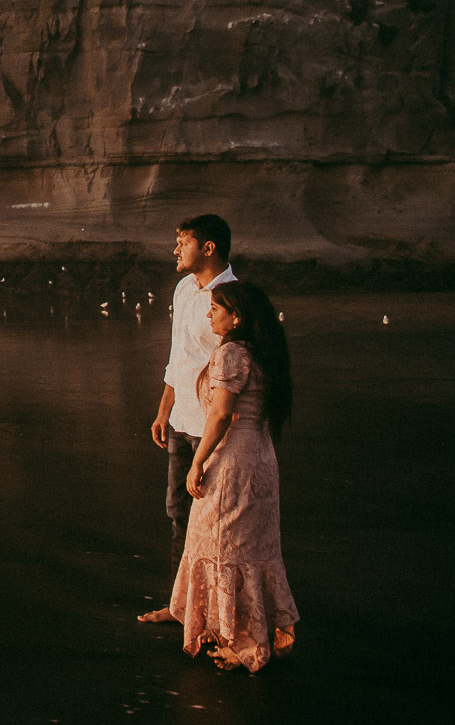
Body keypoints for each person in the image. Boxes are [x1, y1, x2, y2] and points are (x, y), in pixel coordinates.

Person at [156, 279, 300, 670]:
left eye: (216, 309)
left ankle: (243, 643)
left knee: (224, 546)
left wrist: (198, 461)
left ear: (236, 316)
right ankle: (255, 630)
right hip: (261, 458)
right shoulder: (263, 352)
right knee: (252, 548)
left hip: (233, 463)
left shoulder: (231, 354)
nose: (209, 315)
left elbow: (220, 415)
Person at [143, 215, 234, 595]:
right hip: (181, 419)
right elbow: (178, 354)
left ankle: (215, 607)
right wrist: (165, 410)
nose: (175, 250)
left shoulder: (232, 299)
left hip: (212, 427)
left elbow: (234, 369)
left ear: (208, 248)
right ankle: (184, 604)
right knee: (178, 513)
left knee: (213, 519)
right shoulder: (183, 289)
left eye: (183, 242)